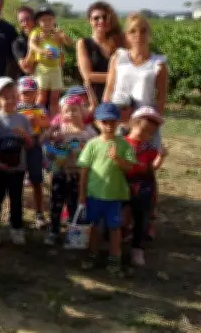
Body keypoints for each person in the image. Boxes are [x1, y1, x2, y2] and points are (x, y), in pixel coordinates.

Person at [77, 103, 136, 278]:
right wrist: (81, 194)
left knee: (115, 228)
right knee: (94, 227)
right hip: (94, 195)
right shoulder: (92, 144)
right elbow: (84, 170)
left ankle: (114, 257)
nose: (109, 126)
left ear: (118, 122)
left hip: (115, 196)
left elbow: (129, 168)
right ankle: (91, 254)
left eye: (113, 121)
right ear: (97, 122)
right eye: (105, 122)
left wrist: (117, 159)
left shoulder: (124, 145)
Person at [104, 13, 169, 151]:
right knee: (116, 163)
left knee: (143, 165)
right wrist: (105, 114)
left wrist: (151, 123)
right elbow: (109, 87)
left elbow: (161, 97)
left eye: (143, 30)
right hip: (118, 119)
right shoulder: (119, 58)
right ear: (126, 36)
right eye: (132, 31)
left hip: (143, 123)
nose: (138, 35)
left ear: (149, 34)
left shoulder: (158, 63)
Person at [40, 96, 96, 246]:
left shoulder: (89, 133)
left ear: (82, 111)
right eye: (66, 111)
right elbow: (43, 142)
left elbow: (96, 151)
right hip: (60, 172)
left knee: (75, 203)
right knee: (56, 202)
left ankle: (74, 231)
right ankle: (54, 230)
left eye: (74, 110)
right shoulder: (61, 130)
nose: (70, 114)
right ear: (61, 114)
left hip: (79, 175)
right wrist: (52, 134)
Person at [0, 77, 33, 245]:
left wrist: (25, 136)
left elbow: (30, 144)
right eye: (6, 97)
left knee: (16, 198)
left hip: (17, 168)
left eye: (13, 96)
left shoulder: (23, 119)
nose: (11, 100)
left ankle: (16, 228)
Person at [124, 107, 167, 267]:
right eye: (142, 130)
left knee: (142, 216)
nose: (145, 135)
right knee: (121, 214)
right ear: (131, 124)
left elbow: (151, 167)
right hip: (122, 182)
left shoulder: (148, 148)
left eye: (150, 133)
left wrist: (161, 157)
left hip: (142, 184)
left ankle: (137, 248)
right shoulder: (121, 143)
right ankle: (118, 236)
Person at [76, 1, 125, 108]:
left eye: (104, 17)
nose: (101, 20)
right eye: (96, 18)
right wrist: (121, 77)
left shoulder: (121, 42)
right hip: (94, 99)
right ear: (89, 21)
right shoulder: (84, 43)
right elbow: (88, 76)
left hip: (120, 97)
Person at [16, 76, 50, 228]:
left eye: (30, 92)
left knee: (37, 180)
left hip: (35, 145)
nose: (27, 96)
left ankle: (39, 213)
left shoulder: (40, 107)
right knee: (16, 182)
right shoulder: (15, 109)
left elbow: (48, 122)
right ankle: (16, 214)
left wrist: (38, 122)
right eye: (24, 93)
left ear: (36, 92)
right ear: (18, 93)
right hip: (19, 146)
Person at [27, 7, 72, 117]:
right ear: (38, 22)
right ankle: (37, 122)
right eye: (43, 20)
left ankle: (54, 123)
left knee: (54, 98)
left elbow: (70, 43)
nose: (47, 22)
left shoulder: (57, 32)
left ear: (54, 21)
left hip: (56, 68)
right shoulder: (36, 32)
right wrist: (42, 51)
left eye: (49, 19)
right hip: (42, 69)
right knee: (41, 97)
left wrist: (63, 35)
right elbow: (31, 45)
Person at [11, 6, 37, 77]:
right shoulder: (17, 43)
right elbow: (27, 68)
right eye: (21, 21)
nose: (25, 23)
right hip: (29, 82)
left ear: (34, 20)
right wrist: (32, 46)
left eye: (28, 19)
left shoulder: (46, 37)